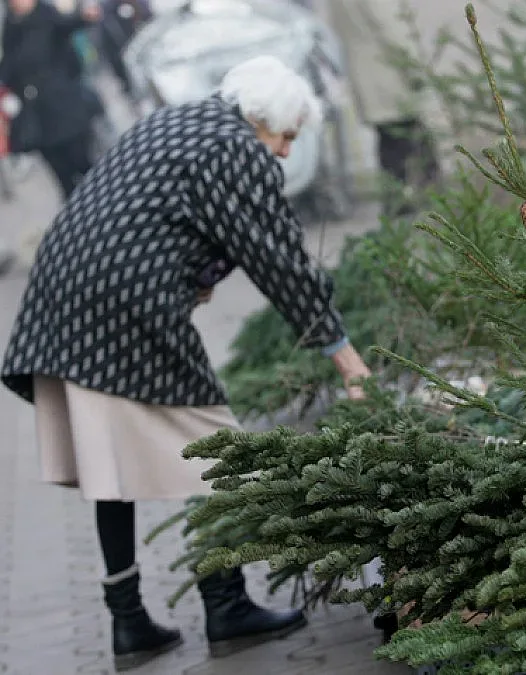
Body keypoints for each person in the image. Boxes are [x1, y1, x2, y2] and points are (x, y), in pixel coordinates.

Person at [0, 54, 372, 671]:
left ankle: (128, 622)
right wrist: (347, 358)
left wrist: (194, 274)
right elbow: (279, 259)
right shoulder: (237, 150)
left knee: (105, 462)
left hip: (61, 294)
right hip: (123, 307)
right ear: (263, 122)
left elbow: (163, 214)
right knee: (212, 446)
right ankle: (224, 602)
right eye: (286, 137)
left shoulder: (181, 121)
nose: (283, 153)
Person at [327, 0, 440, 216]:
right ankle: (428, 198)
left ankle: (397, 200)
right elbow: (392, 27)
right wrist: (416, 65)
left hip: (364, 71)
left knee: (389, 141)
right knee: (413, 136)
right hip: (390, 72)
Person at [0, 0, 105, 199]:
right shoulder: (11, 28)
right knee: (65, 182)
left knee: (87, 167)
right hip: (40, 121)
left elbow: (69, 24)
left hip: (66, 110)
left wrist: (85, 16)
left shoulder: (46, 16)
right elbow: (8, 68)